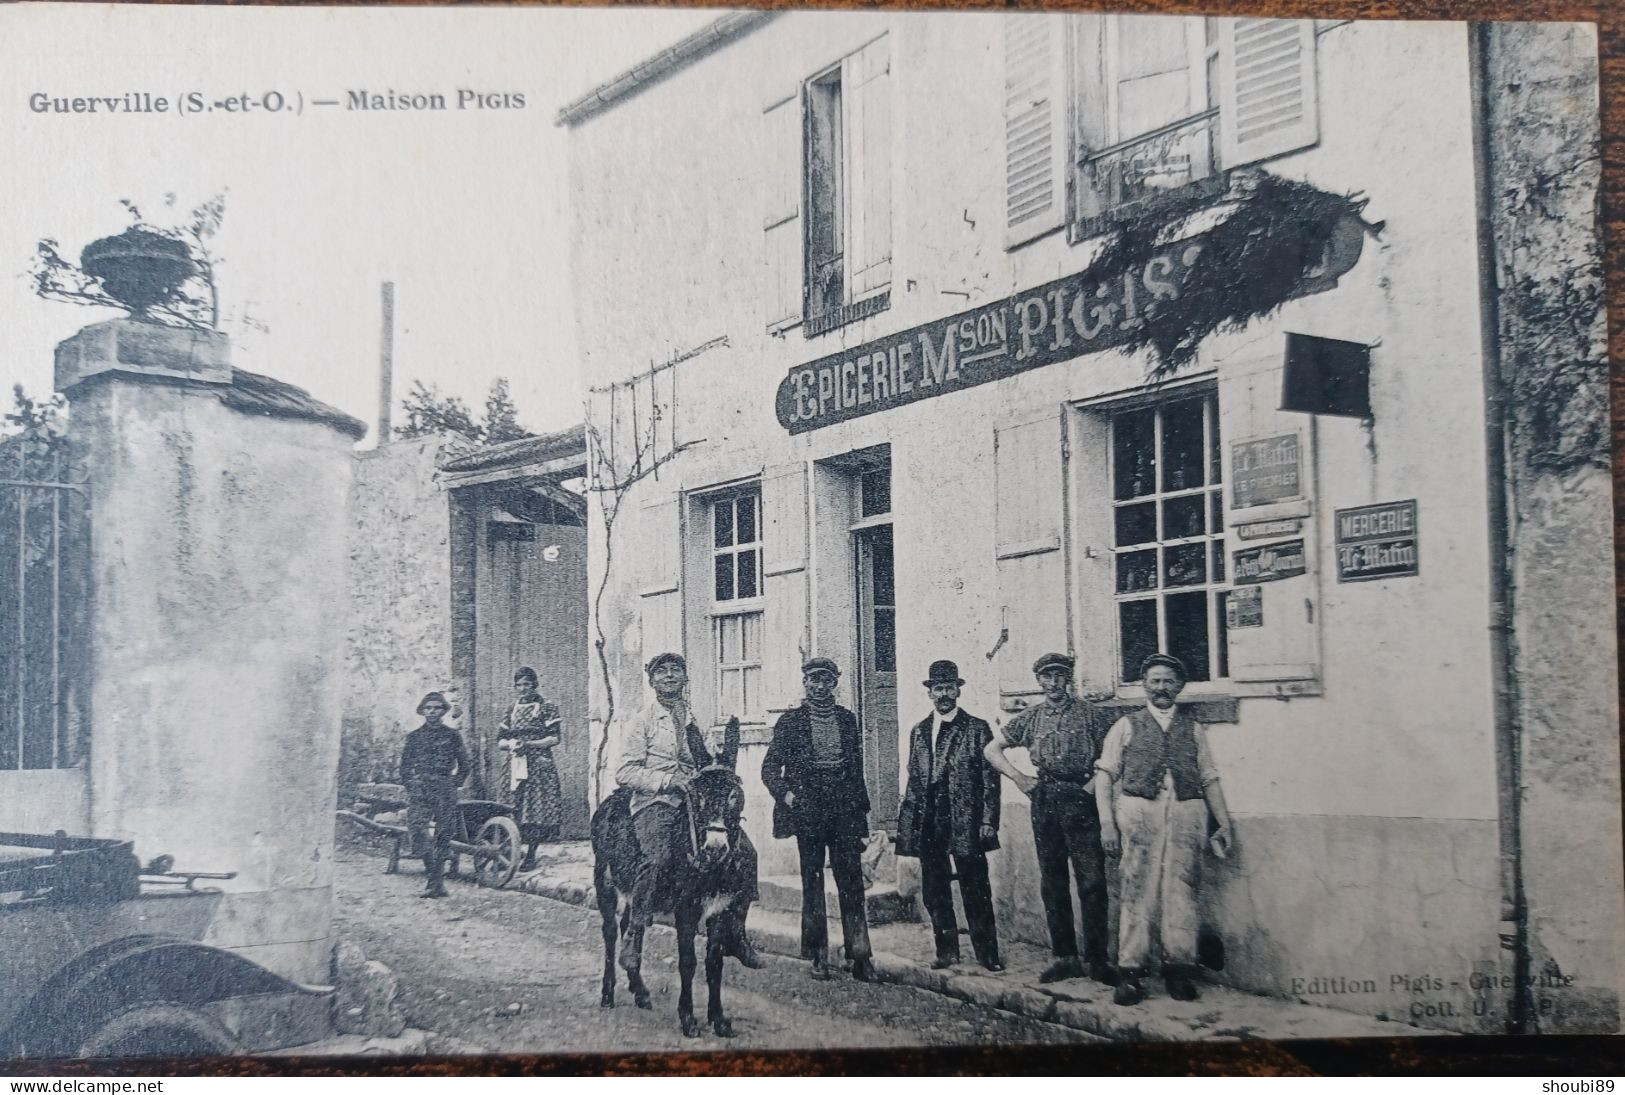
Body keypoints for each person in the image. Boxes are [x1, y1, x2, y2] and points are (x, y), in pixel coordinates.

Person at [1094, 653, 1234, 1006]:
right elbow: (1105, 777)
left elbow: (1210, 778)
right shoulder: (1126, 725)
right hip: (1139, 812)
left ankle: (1179, 970)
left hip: (1187, 812)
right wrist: (1107, 824)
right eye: (1155, 680)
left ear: (1179, 687)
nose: (1161, 687)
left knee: (1182, 891)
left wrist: (1224, 823)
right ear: (1144, 685)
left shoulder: (1193, 728)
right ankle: (1130, 972)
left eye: (1168, 681)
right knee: (1136, 888)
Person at [614, 652, 762, 971]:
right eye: (662, 672)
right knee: (657, 857)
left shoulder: (697, 719)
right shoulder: (642, 722)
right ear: (652, 681)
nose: (669, 676)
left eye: (676, 670)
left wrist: (717, 772)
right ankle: (635, 931)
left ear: (685, 679)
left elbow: (707, 760)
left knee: (746, 853)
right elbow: (625, 772)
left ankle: (736, 933)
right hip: (655, 801)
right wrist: (667, 780)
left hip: (696, 801)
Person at [985, 652, 1116, 985]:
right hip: (1045, 800)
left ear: (1068, 678)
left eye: (1059, 676)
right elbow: (991, 750)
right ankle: (1065, 957)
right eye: (1047, 677)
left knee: (1092, 882)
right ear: (1039, 681)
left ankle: (1098, 960)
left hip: (1082, 802)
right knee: (1053, 881)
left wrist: (1089, 787)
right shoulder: (1031, 718)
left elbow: (1116, 755)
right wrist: (1019, 778)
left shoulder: (1090, 716)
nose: (1053, 683)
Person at [760, 657, 875, 981]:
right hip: (809, 810)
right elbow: (769, 769)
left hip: (843, 809)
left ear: (834, 684)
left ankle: (861, 955)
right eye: (814, 680)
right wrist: (789, 797)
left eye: (827, 680)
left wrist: (861, 820)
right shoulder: (790, 723)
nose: (820, 686)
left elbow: (855, 773)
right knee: (813, 882)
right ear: (805, 683)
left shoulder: (847, 720)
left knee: (851, 882)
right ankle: (818, 955)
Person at [896, 660, 1003, 972]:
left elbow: (989, 779)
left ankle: (987, 953)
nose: (944, 694)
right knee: (934, 888)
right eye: (938, 688)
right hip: (930, 821)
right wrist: (909, 828)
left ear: (958, 690)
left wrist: (987, 821)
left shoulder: (977, 728)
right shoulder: (919, 731)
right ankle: (947, 951)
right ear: (930, 693)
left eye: (949, 687)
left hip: (965, 819)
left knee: (976, 887)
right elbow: (913, 780)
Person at [400, 691, 469, 899]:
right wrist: (412, 785)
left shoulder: (453, 736)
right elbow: (404, 767)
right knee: (417, 830)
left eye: (436, 708)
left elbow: (465, 765)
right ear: (422, 711)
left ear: (443, 711)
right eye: (428, 708)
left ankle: (435, 883)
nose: (432, 712)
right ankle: (434, 876)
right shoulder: (414, 737)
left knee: (443, 835)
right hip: (420, 788)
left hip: (444, 787)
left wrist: (453, 783)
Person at [498, 666, 564, 868]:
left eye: (527, 684)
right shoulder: (511, 709)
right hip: (515, 762)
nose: (523, 689)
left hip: (539, 763)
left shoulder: (547, 707)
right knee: (513, 806)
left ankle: (531, 855)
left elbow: (554, 738)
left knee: (536, 809)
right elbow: (500, 740)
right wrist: (513, 744)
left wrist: (530, 745)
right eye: (519, 685)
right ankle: (511, 851)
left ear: (534, 684)